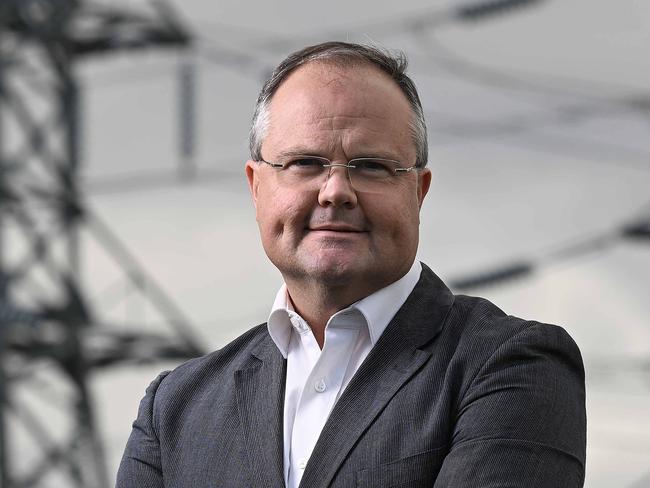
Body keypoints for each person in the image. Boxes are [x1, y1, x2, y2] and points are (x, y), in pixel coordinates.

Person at [116, 42, 586, 488]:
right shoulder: (176, 410)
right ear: (256, 186)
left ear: (418, 192)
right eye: (304, 162)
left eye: (371, 167)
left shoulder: (509, 366)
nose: (336, 191)